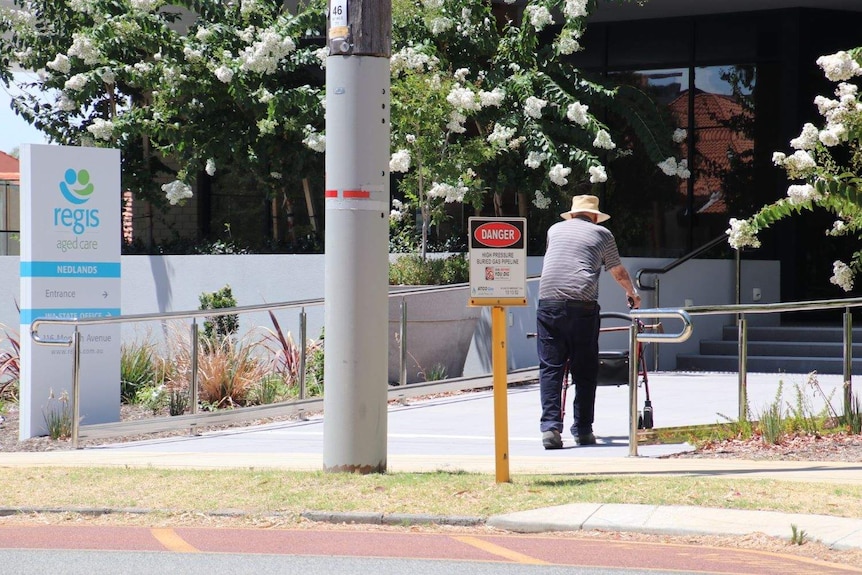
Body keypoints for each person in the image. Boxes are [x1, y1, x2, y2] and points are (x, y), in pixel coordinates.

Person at [536, 194, 641, 449]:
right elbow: (617, 271)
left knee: (551, 367)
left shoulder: (554, 230)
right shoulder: (603, 234)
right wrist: (632, 294)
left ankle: (550, 428)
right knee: (584, 369)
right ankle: (583, 430)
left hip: (548, 302)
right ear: (595, 216)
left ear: (572, 214)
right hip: (582, 305)